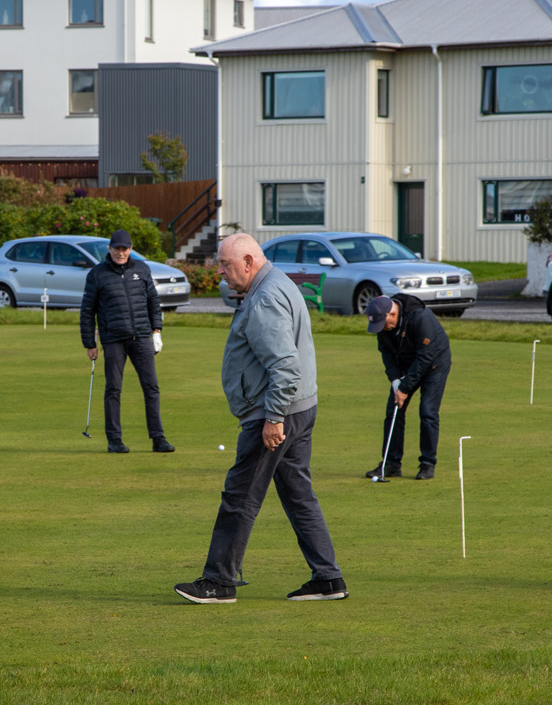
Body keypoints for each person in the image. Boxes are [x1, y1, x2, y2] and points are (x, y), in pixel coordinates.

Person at [174, 233, 346, 603]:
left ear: (250, 262)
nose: (220, 272)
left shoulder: (265, 297)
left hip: (275, 413)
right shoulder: (277, 282)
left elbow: (285, 365)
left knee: (240, 496)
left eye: (226, 265)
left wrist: (273, 418)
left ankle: (218, 582)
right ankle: (329, 578)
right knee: (299, 496)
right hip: (300, 408)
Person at [79, 229, 173, 454]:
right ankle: (114, 440)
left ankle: (158, 438)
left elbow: (153, 302)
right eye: (116, 249)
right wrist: (89, 344)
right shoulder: (97, 274)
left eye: (124, 249)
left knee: (151, 388)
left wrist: (156, 332)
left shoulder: (142, 269)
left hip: (141, 337)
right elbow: (87, 311)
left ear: (130, 250)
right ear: (110, 249)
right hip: (113, 340)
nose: (120, 253)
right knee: (113, 389)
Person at [363, 293, 450, 479]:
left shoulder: (420, 318)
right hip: (406, 363)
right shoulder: (383, 324)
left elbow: (425, 357)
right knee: (393, 410)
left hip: (434, 364)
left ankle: (427, 464)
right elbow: (386, 352)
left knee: (427, 411)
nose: (382, 329)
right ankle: (392, 464)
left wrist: (405, 388)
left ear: (392, 315)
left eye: (383, 324)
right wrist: (395, 382)